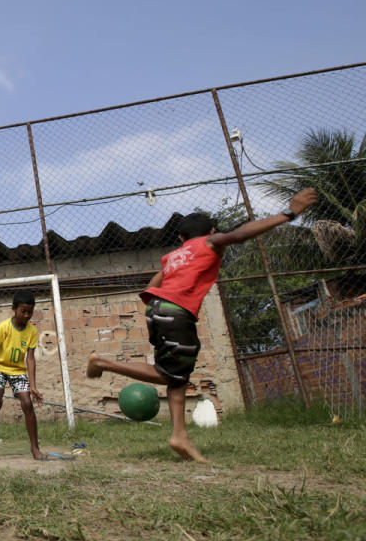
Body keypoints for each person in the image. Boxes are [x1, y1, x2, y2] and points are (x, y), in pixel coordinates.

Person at [87, 188, 318, 462]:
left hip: (157, 308)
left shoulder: (173, 256)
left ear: (181, 238)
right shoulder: (208, 243)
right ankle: (104, 363)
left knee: (178, 377)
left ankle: (179, 435)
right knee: (170, 375)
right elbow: (239, 235)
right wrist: (288, 213)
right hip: (177, 313)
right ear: (211, 230)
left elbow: (152, 286)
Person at [0, 290, 46, 460]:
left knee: (27, 403)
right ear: (14, 309)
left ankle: (35, 448)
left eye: (30, 312)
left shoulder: (32, 331)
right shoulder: (4, 327)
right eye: (23, 311)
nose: (27, 315)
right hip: (0, 369)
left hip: (18, 371)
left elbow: (31, 359)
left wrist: (33, 386)